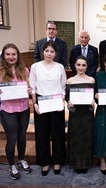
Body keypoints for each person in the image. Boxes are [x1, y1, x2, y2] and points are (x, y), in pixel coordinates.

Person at [0, 43, 32, 180]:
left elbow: (29, 87)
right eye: (8, 54)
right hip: (8, 110)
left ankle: (22, 159)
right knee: (12, 138)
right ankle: (12, 164)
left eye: (14, 54)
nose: (11, 57)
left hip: (24, 108)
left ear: (18, 55)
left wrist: (30, 91)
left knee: (22, 137)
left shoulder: (25, 70)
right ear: (4, 56)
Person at [29, 41, 67, 176]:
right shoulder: (35, 67)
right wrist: (35, 103)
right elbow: (32, 87)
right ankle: (44, 163)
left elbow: (63, 87)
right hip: (41, 102)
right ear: (42, 52)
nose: (49, 53)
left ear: (55, 53)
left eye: (52, 51)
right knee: (42, 134)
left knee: (58, 134)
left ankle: (57, 161)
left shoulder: (60, 67)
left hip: (56, 103)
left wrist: (62, 101)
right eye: (47, 51)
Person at [65, 56, 95, 174]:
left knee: (87, 138)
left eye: (83, 65)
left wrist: (94, 102)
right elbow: (67, 99)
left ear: (87, 67)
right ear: (75, 65)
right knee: (75, 138)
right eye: (79, 65)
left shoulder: (91, 80)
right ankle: (76, 163)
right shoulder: (70, 81)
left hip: (87, 113)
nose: (81, 67)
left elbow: (94, 97)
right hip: (75, 113)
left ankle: (85, 163)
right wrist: (69, 104)